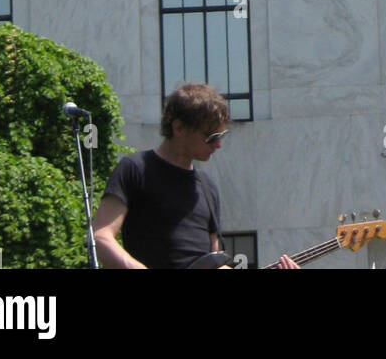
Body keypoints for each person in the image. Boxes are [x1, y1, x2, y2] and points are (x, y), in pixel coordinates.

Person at [93, 82, 298, 270]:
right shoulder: (135, 169)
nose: (218, 145)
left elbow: (213, 261)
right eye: (211, 137)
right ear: (179, 128)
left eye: (221, 136)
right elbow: (100, 237)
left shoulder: (207, 188)